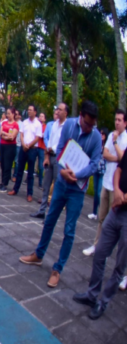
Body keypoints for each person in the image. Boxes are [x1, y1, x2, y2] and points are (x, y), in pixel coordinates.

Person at [20, 100, 103, 288]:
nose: (90, 127)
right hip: (62, 182)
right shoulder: (69, 126)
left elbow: (94, 163)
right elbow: (60, 149)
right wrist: (64, 170)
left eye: (93, 124)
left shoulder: (96, 137)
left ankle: (58, 269)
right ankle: (38, 255)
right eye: (87, 123)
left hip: (78, 189)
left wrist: (77, 174)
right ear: (81, 116)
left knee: (69, 230)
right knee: (49, 220)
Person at [72, 129, 127, 320]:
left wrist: (124, 198)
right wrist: (118, 191)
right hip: (117, 210)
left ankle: (103, 302)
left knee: (120, 266)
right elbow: (120, 169)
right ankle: (92, 294)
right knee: (100, 252)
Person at [83, 110, 126, 256]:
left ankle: (110, 252)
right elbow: (105, 154)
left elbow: (123, 159)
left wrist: (115, 143)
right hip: (107, 182)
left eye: (120, 120)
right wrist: (118, 158)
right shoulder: (111, 135)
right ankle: (96, 245)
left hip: (118, 186)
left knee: (115, 221)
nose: (117, 122)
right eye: (116, 119)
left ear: (125, 123)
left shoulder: (124, 139)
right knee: (101, 218)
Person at [31, 105, 67, 218]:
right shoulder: (54, 124)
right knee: (46, 185)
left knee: (56, 186)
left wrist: (53, 149)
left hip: (59, 157)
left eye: (60, 110)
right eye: (57, 109)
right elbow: (50, 140)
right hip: (50, 155)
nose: (57, 111)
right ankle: (42, 211)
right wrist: (46, 156)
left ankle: (51, 214)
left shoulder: (67, 126)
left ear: (66, 112)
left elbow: (64, 142)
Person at [9, 105, 43, 201]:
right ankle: (15, 189)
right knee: (19, 170)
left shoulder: (38, 124)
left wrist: (29, 145)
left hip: (32, 149)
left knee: (30, 173)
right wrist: (24, 144)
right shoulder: (25, 122)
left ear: (35, 112)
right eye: (28, 110)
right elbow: (21, 134)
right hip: (23, 149)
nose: (29, 111)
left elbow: (37, 138)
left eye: (31, 110)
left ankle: (30, 194)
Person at [0, 108, 19, 192]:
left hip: (10, 147)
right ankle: (2, 182)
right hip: (3, 145)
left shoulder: (15, 125)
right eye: (7, 113)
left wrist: (5, 134)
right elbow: (0, 133)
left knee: (7, 165)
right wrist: (7, 135)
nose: (8, 115)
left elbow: (12, 137)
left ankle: (5, 183)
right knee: (2, 164)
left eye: (9, 113)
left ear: (13, 114)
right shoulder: (4, 122)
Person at [37, 112, 47, 188]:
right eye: (40, 116)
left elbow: (44, 136)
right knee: (32, 162)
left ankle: (40, 182)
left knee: (41, 166)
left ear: (45, 119)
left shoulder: (45, 127)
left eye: (42, 116)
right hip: (35, 146)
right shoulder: (36, 125)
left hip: (42, 147)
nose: (40, 117)